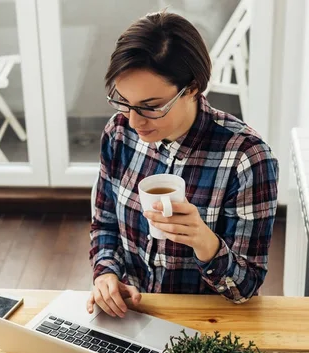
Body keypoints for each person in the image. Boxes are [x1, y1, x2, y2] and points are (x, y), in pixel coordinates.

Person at [86, 10, 279, 318]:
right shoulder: (119, 133)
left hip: (204, 326)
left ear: (191, 89)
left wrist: (205, 242)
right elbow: (105, 222)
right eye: (123, 100)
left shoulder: (247, 159)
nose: (134, 121)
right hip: (132, 315)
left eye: (151, 107)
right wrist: (106, 274)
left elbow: (246, 287)